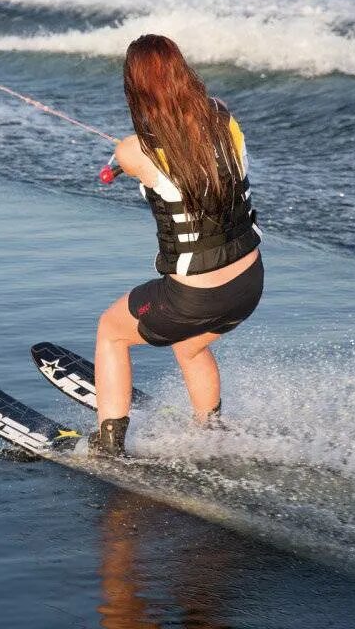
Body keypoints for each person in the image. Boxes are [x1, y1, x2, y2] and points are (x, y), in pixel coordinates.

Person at [90, 34, 264, 456]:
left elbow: (131, 158)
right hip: (249, 284)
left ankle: (108, 445)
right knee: (190, 346)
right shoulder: (225, 118)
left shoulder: (136, 151)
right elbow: (189, 138)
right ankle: (212, 431)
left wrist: (122, 160)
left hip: (192, 297)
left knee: (110, 333)